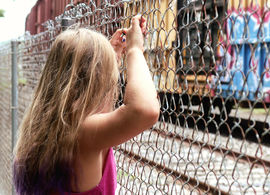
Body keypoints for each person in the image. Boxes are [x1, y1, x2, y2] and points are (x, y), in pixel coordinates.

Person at [13, 15, 160, 194]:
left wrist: (110, 54)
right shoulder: (82, 133)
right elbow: (144, 110)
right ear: (99, 81)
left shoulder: (39, 130)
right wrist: (135, 50)